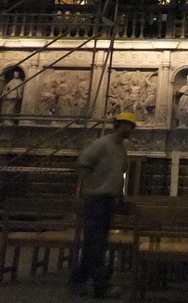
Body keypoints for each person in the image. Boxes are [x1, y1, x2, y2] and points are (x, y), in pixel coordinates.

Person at [71, 111, 136, 299]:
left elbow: (120, 174)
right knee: (97, 243)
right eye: (129, 126)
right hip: (96, 201)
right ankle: (101, 287)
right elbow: (83, 163)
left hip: (108, 201)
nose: (131, 130)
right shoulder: (102, 144)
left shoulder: (121, 148)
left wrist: (120, 197)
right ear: (121, 125)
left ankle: (78, 280)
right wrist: (89, 187)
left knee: (94, 243)